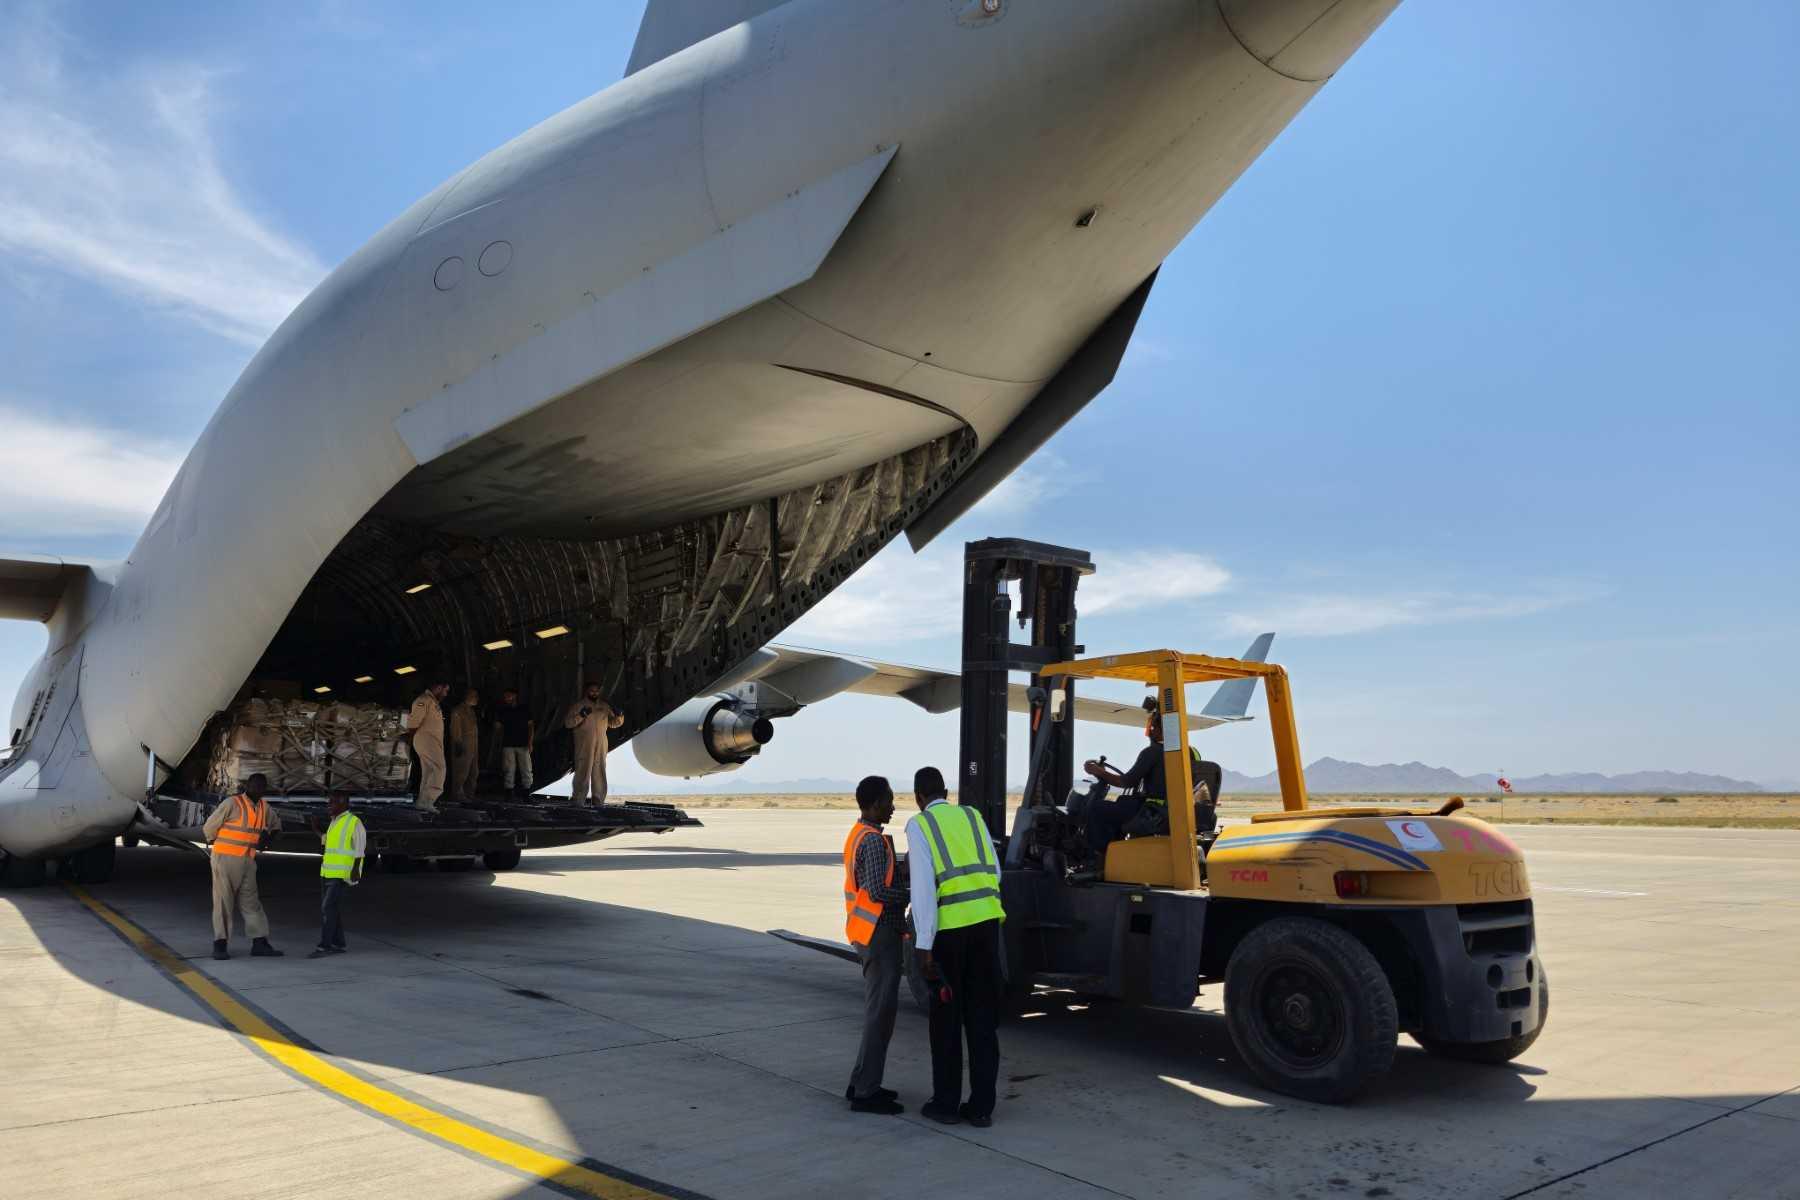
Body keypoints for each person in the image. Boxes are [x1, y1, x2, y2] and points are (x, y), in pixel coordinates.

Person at [905, 766, 1005, 1128]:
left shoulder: (920, 826)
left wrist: (924, 945)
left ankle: (946, 1104)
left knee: (946, 1021)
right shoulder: (973, 815)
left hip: (950, 935)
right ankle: (981, 1108)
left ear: (919, 798)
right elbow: (995, 871)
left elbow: (923, 892)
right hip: (987, 926)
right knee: (982, 1019)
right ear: (946, 792)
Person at [843, 775, 909, 1115]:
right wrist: (914, 894)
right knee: (880, 1015)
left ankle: (861, 1082)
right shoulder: (872, 841)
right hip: (879, 934)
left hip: (866, 932)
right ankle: (867, 1092)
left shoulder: (861, 835)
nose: (893, 806)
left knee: (877, 1012)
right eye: (888, 800)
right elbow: (877, 893)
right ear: (872, 804)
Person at [1081, 705, 1200, 860]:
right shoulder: (1191, 752)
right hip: (1173, 812)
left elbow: (1126, 781)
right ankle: (1117, 854)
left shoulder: (1152, 752)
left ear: (1157, 728)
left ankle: (1099, 857)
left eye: (1152, 726)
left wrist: (1099, 772)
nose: (1149, 731)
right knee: (1121, 805)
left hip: (1152, 813)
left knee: (1097, 808)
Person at [202, 773, 283, 960]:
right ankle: (220, 945)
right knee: (224, 902)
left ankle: (259, 942)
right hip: (226, 859)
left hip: (248, 861)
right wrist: (219, 847)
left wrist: (267, 840)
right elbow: (208, 829)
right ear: (247, 785)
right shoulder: (232, 803)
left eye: (262, 786)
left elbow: (276, 826)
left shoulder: (264, 807)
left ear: (265, 789)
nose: (258, 789)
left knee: (252, 902)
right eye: (255, 785)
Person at [308, 789, 365, 959]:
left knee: (327, 908)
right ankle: (339, 943)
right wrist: (316, 829)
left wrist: (356, 871)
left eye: (332, 802)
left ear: (344, 804)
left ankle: (325, 946)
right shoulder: (335, 821)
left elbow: (360, 849)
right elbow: (327, 840)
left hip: (342, 874)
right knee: (332, 909)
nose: (328, 805)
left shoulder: (354, 822)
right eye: (329, 802)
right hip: (327, 872)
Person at [564, 682, 624, 806]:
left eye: (596, 691)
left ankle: (598, 801)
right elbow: (568, 723)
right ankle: (578, 801)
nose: (594, 693)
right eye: (592, 691)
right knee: (583, 771)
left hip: (601, 744)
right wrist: (581, 715)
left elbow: (614, 723)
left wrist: (620, 716)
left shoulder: (604, 706)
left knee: (599, 771)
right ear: (587, 691)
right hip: (584, 745)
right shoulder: (579, 705)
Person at [406, 681, 449, 812]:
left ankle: (423, 801)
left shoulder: (433, 701)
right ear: (439, 688)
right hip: (426, 740)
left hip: (432, 741)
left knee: (430, 771)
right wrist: (409, 738)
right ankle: (428, 800)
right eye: (445, 690)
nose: (446, 694)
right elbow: (413, 723)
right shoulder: (423, 700)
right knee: (439, 768)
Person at [492, 688, 535, 800]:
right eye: (505, 696)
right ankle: (509, 792)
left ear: (515, 696)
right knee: (508, 769)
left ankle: (527, 792)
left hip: (523, 744)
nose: (506, 698)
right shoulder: (502, 710)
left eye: (508, 696)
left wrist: (530, 742)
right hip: (508, 743)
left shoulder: (524, 709)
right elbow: (498, 728)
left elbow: (531, 726)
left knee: (526, 769)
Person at [448, 687, 482, 805]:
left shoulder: (471, 711)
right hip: (463, 744)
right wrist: (458, 743)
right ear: (467, 696)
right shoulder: (458, 710)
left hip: (473, 745)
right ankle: (458, 794)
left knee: (474, 772)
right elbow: (455, 729)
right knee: (461, 771)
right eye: (474, 696)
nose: (477, 698)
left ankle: (469, 794)